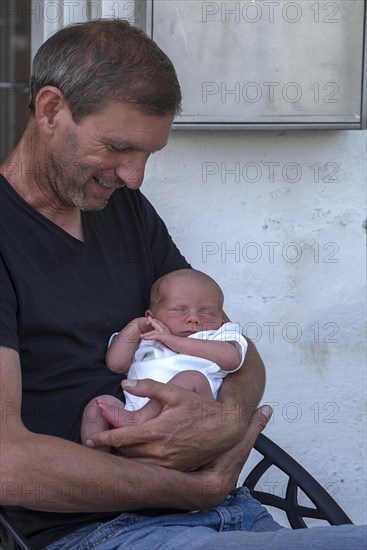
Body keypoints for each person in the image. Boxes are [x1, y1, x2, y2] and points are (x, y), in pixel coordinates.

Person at [0, 18, 365, 550]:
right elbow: (8, 461)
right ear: (51, 109)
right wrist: (193, 488)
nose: (135, 176)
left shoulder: (126, 213)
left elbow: (233, 346)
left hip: (226, 514)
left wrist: (229, 417)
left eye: (149, 154)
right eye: (119, 148)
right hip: (103, 533)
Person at [81, 269, 248, 443]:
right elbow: (116, 365)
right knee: (97, 406)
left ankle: (139, 418)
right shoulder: (149, 337)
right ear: (152, 317)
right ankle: (100, 458)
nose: (193, 318)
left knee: (192, 378)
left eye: (206, 312)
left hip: (190, 420)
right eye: (179, 310)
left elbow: (231, 359)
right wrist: (137, 326)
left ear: (221, 319)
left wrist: (173, 340)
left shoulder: (217, 336)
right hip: (129, 415)